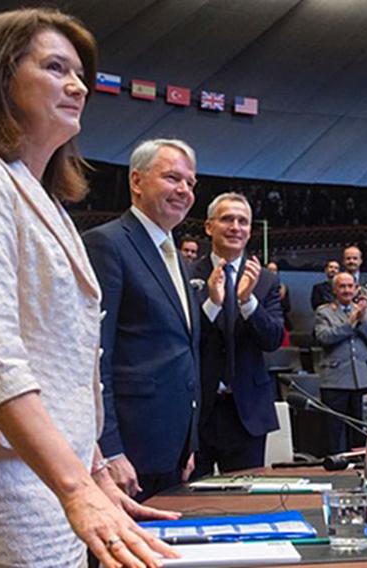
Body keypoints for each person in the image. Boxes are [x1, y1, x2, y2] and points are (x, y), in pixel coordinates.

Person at [0, 8, 175, 567]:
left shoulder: (42, 198)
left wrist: (91, 469)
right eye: (55, 67)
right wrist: (75, 487)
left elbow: (58, 361)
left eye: (80, 74)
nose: (78, 85)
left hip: (46, 479)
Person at [83, 139, 200, 500]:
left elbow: (181, 350)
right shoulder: (108, 245)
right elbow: (93, 356)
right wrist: (110, 451)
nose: (184, 190)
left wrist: (188, 441)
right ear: (137, 181)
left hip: (173, 453)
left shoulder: (174, 255)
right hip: (128, 455)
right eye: (172, 178)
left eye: (191, 183)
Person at [191, 193, 284, 475]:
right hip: (199, 411)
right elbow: (184, 339)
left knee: (245, 502)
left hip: (248, 413)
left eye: (242, 221)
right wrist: (213, 304)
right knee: (192, 501)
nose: (235, 227)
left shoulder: (265, 279)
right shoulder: (188, 274)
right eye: (227, 219)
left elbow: (273, 340)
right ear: (209, 226)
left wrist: (247, 302)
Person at [314, 272, 367, 454]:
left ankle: (362, 466)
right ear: (335, 289)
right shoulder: (324, 311)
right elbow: (324, 337)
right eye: (342, 286)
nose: (347, 290)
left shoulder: (366, 311)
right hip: (336, 380)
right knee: (334, 432)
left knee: (362, 431)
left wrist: (362, 319)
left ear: (356, 288)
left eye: (350, 286)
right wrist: (350, 323)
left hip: (363, 378)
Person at [267, 261, 293, 336]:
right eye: (270, 270)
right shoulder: (259, 286)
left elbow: (288, 308)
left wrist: (280, 298)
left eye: (274, 270)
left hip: (280, 321)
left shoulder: (283, 288)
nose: (272, 272)